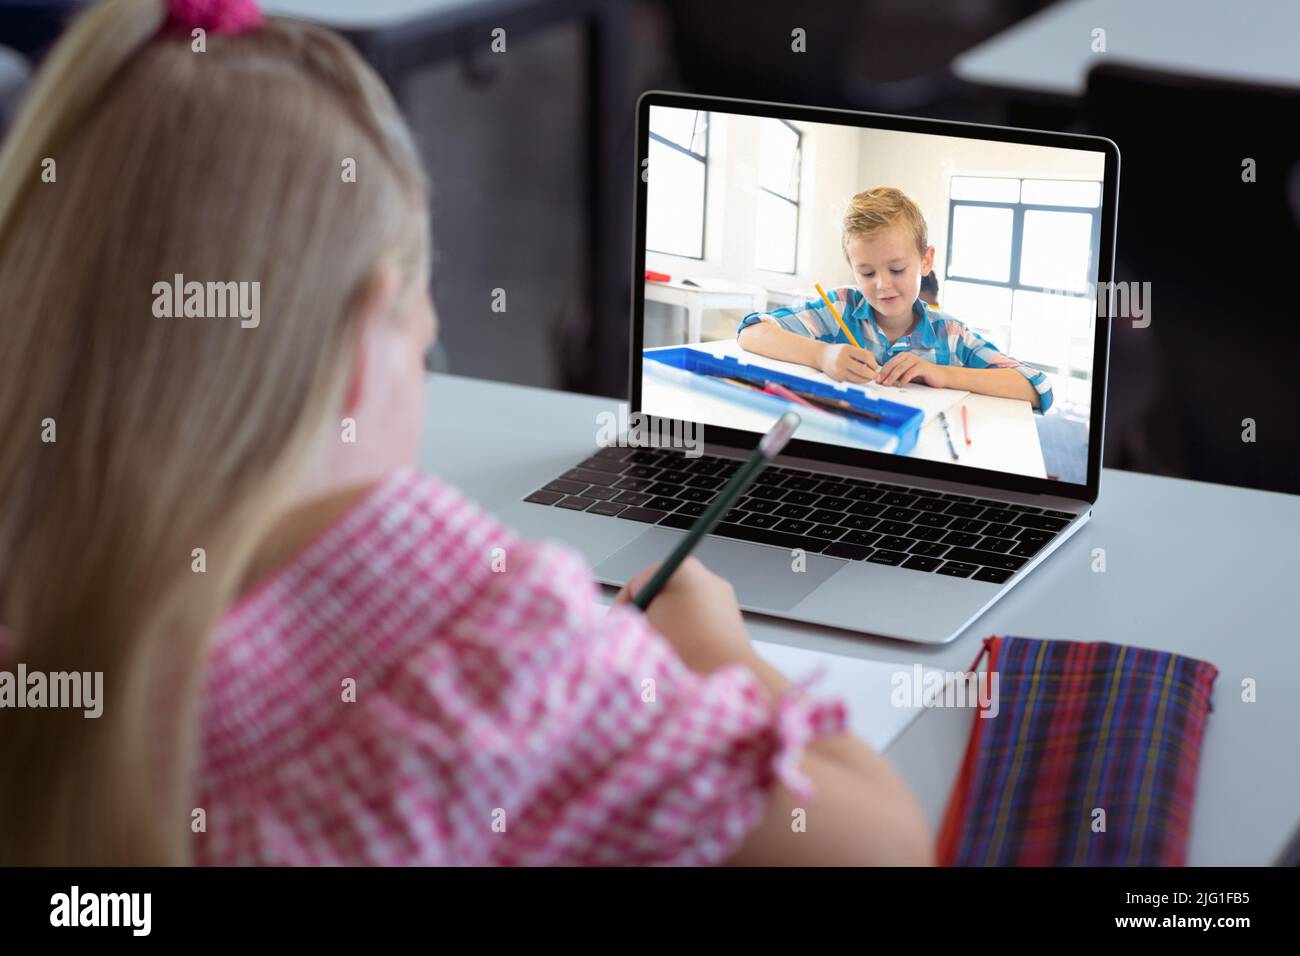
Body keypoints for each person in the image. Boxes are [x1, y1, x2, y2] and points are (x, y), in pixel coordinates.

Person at [0, 0, 931, 865]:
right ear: (369, 337)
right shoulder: (499, 658)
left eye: (889, 272)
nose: (876, 286)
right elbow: (884, 846)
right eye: (422, 310)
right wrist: (719, 650)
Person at [738, 187, 1052, 411]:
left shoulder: (950, 335)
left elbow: (1036, 387)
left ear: (926, 261)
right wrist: (823, 355)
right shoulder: (841, 308)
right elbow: (751, 332)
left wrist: (944, 374)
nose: (882, 285)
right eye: (866, 272)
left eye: (897, 268)